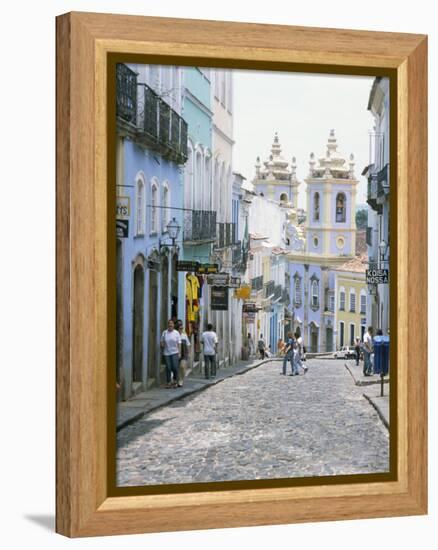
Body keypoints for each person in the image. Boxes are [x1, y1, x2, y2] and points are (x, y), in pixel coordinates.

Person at [160, 319, 181, 388]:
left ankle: (175, 380)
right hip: (167, 353)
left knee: (175, 367)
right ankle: (168, 382)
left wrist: (179, 352)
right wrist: (162, 344)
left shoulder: (176, 333)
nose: (170, 325)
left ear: (173, 325)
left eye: (171, 323)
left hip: (175, 352)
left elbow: (179, 343)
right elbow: (162, 341)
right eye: (169, 323)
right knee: (168, 368)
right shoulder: (164, 333)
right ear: (168, 325)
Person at [176, 319, 191, 387]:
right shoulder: (175, 334)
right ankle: (177, 380)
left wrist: (189, 353)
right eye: (180, 328)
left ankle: (181, 380)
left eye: (182, 328)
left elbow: (188, 344)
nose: (181, 329)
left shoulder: (184, 335)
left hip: (183, 353)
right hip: (175, 353)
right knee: (176, 368)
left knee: (182, 367)